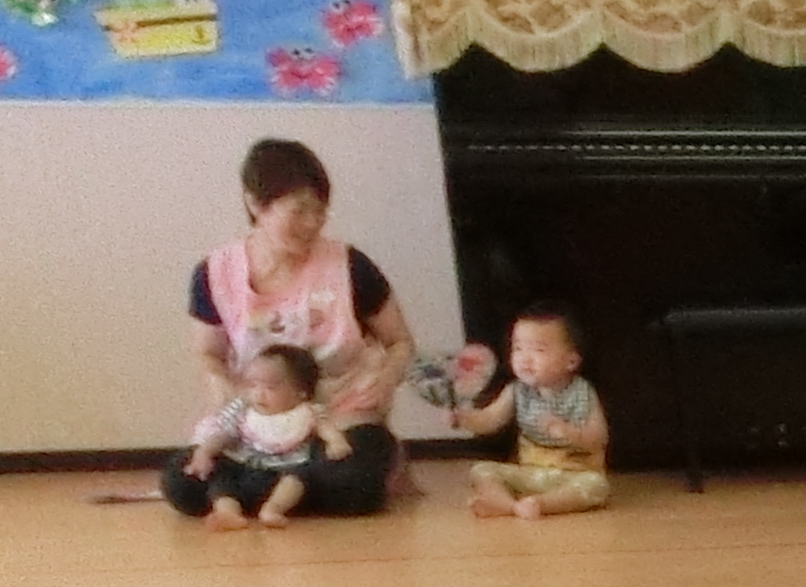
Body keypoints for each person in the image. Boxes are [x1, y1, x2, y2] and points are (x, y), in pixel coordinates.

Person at [169, 137, 418, 519]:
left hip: (338, 417)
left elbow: (400, 342)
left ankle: (255, 492)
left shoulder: (351, 265)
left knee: (356, 481)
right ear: (256, 204)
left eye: (320, 212)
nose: (312, 223)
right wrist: (219, 384)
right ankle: (287, 490)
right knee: (180, 483)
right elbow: (208, 353)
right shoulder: (213, 273)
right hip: (258, 422)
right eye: (299, 211)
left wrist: (385, 379)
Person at [454, 307, 611, 518]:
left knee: (596, 486)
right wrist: (465, 418)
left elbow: (600, 438)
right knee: (481, 470)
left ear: (571, 361)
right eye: (518, 348)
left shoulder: (582, 392)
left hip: (573, 474)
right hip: (529, 473)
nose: (525, 359)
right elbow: (489, 420)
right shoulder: (517, 390)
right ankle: (510, 505)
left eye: (539, 350)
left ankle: (542, 504)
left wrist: (570, 433)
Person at [180, 340, 327, 529]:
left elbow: (325, 428)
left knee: (301, 475)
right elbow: (223, 433)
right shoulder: (242, 409)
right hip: (244, 471)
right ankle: (228, 512)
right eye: (252, 385)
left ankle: (273, 509)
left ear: (301, 392)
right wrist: (204, 452)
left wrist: (336, 441)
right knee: (220, 473)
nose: (259, 394)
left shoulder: (308, 412)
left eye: (270, 388)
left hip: (282, 474)